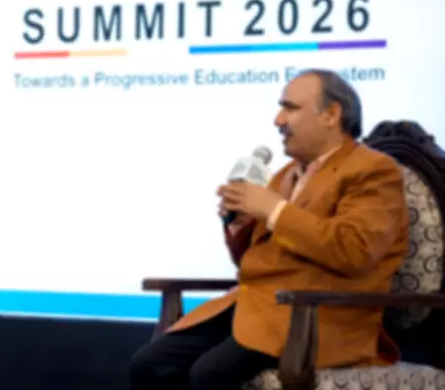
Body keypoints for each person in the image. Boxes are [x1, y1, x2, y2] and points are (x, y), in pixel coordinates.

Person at [129, 69, 409, 389]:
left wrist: (273, 209)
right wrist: (237, 221)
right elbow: (254, 259)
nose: (278, 120)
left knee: (208, 373)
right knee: (151, 365)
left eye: (291, 108)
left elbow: (355, 251)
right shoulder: (285, 174)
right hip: (256, 308)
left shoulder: (373, 170)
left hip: (318, 320)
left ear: (332, 115)